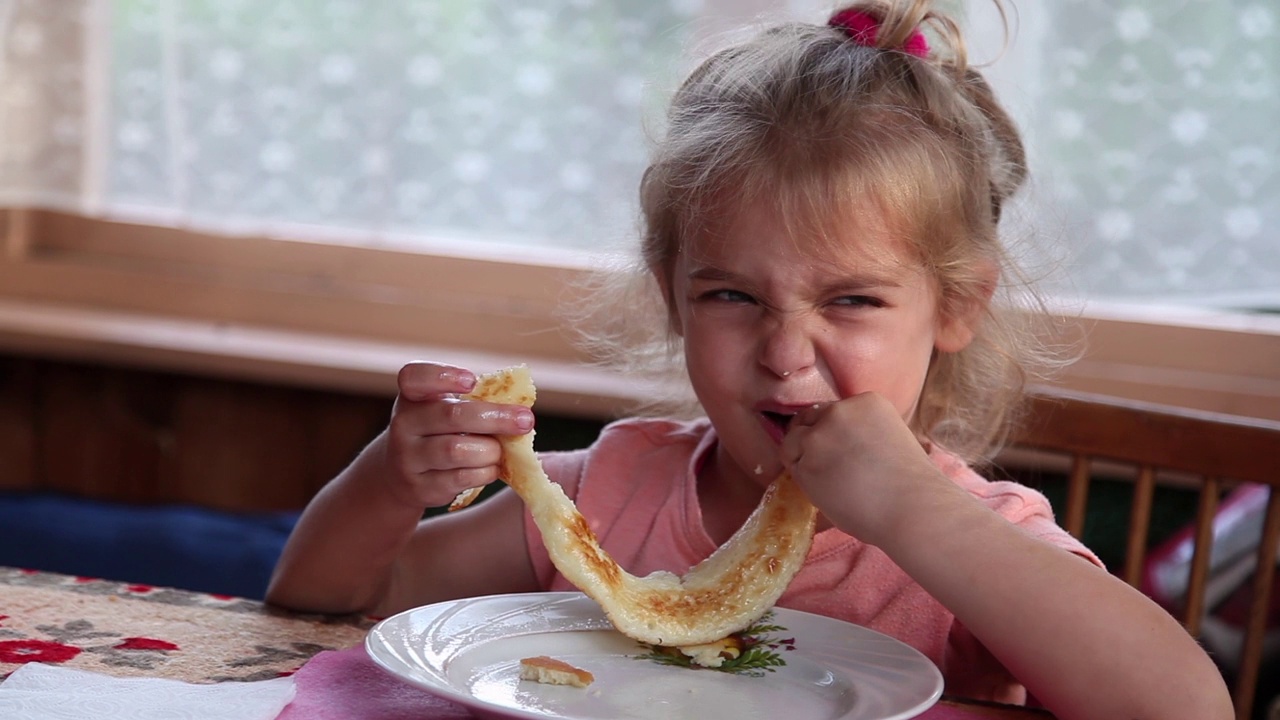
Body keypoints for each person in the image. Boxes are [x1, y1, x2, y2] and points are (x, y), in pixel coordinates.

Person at [266, 2, 1232, 718]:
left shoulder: (974, 538)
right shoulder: (615, 490)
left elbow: (1183, 710)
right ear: (670, 292)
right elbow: (332, 603)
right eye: (732, 296)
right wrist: (390, 481)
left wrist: (911, 511)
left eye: (850, 300)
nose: (782, 353)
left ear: (958, 306)